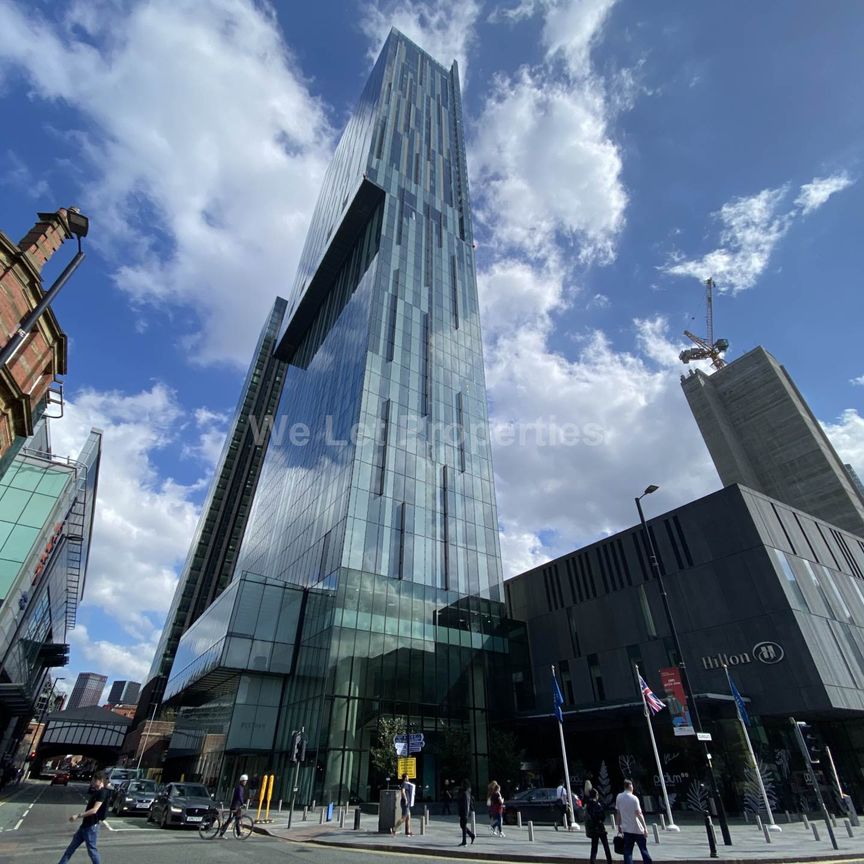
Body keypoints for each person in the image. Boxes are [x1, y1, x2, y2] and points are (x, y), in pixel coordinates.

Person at [57, 770, 110, 864]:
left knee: (92, 852)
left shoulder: (102, 793)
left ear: (100, 780)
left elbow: (95, 810)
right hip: (84, 827)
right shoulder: (96, 792)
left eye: (94, 780)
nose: (93, 782)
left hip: (91, 827)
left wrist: (78, 815)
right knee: (70, 849)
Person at [615, 779, 651, 864]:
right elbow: (639, 814)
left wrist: (618, 825)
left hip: (626, 829)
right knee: (643, 849)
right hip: (637, 829)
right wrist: (645, 828)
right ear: (630, 786)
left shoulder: (619, 797)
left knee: (627, 851)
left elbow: (618, 812)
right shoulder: (634, 798)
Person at [585, 788, 612, 864]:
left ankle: (592, 861)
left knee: (594, 847)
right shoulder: (597, 805)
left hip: (592, 828)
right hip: (599, 827)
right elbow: (602, 816)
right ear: (596, 795)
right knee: (606, 846)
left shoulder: (588, 805)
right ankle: (609, 861)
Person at [219, 773, 249, 838]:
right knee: (230, 820)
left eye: (246, 781)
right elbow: (240, 796)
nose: (246, 782)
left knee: (237, 820)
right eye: (245, 781)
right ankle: (222, 832)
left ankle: (238, 833)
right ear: (242, 781)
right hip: (235, 807)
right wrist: (242, 803)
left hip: (237, 807)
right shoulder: (240, 788)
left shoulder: (240, 787)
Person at [457, 778, 476, 846]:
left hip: (464, 812)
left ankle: (464, 841)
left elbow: (466, 804)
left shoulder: (465, 793)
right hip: (463, 811)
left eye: (462, 784)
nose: (461, 785)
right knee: (462, 825)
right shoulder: (466, 792)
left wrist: (465, 814)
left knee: (463, 826)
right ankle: (471, 835)